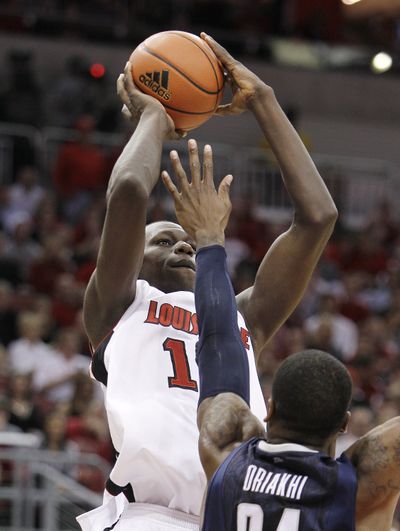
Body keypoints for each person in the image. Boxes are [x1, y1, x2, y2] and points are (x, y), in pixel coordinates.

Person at [78, 34, 337, 531]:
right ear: (131, 260)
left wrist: (263, 100)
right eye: (162, 241)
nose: (183, 246)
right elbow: (131, 188)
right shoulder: (120, 304)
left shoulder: (241, 318)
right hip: (148, 516)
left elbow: (318, 217)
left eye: (190, 243)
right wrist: (155, 115)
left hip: (238, 516)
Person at [165, 150, 400, 531]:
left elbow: (220, 343)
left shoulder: (224, 454)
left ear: (269, 409)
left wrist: (209, 240)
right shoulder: (356, 487)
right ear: (344, 424)